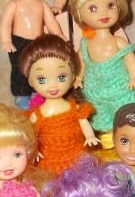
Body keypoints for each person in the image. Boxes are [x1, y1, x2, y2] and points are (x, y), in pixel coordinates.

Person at [69, 0, 135, 148]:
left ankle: (125, 135)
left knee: (126, 112)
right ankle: (109, 135)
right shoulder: (84, 44)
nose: (103, 13)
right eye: (93, 8)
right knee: (102, 115)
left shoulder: (118, 41)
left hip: (120, 89)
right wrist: (79, 77)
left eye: (110, 5)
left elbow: (130, 59)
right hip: (95, 91)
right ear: (79, 12)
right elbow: (81, 62)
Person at [18, 34, 99, 175]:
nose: (53, 85)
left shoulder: (75, 108)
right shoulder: (37, 115)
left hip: (77, 157)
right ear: (30, 81)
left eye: (61, 77)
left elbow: (83, 122)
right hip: (50, 162)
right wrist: (33, 149)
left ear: (73, 77)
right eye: (42, 79)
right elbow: (30, 135)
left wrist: (90, 136)